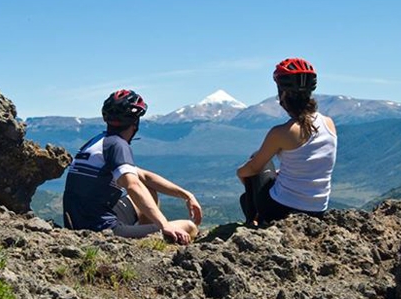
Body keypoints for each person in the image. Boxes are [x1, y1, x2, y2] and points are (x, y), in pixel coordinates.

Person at [63, 89, 202, 244]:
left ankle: (146, 238)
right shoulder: (118, 145)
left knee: (149, 189)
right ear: (135, 123)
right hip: (104, 231)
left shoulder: (98, 142)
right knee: (189, 227)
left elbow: (144, 177)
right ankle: (145, 242)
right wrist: (165, 225)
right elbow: (133, 185)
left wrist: (187, 195)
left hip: (78, 222)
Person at [236, 58, 337, 225]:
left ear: (282, 93)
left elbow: (253, 168)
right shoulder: (329, 124)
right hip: (318, 211)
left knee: (258, 160)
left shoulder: (281, 132)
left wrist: (240, 173)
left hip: (280, 210)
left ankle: (252, 219)